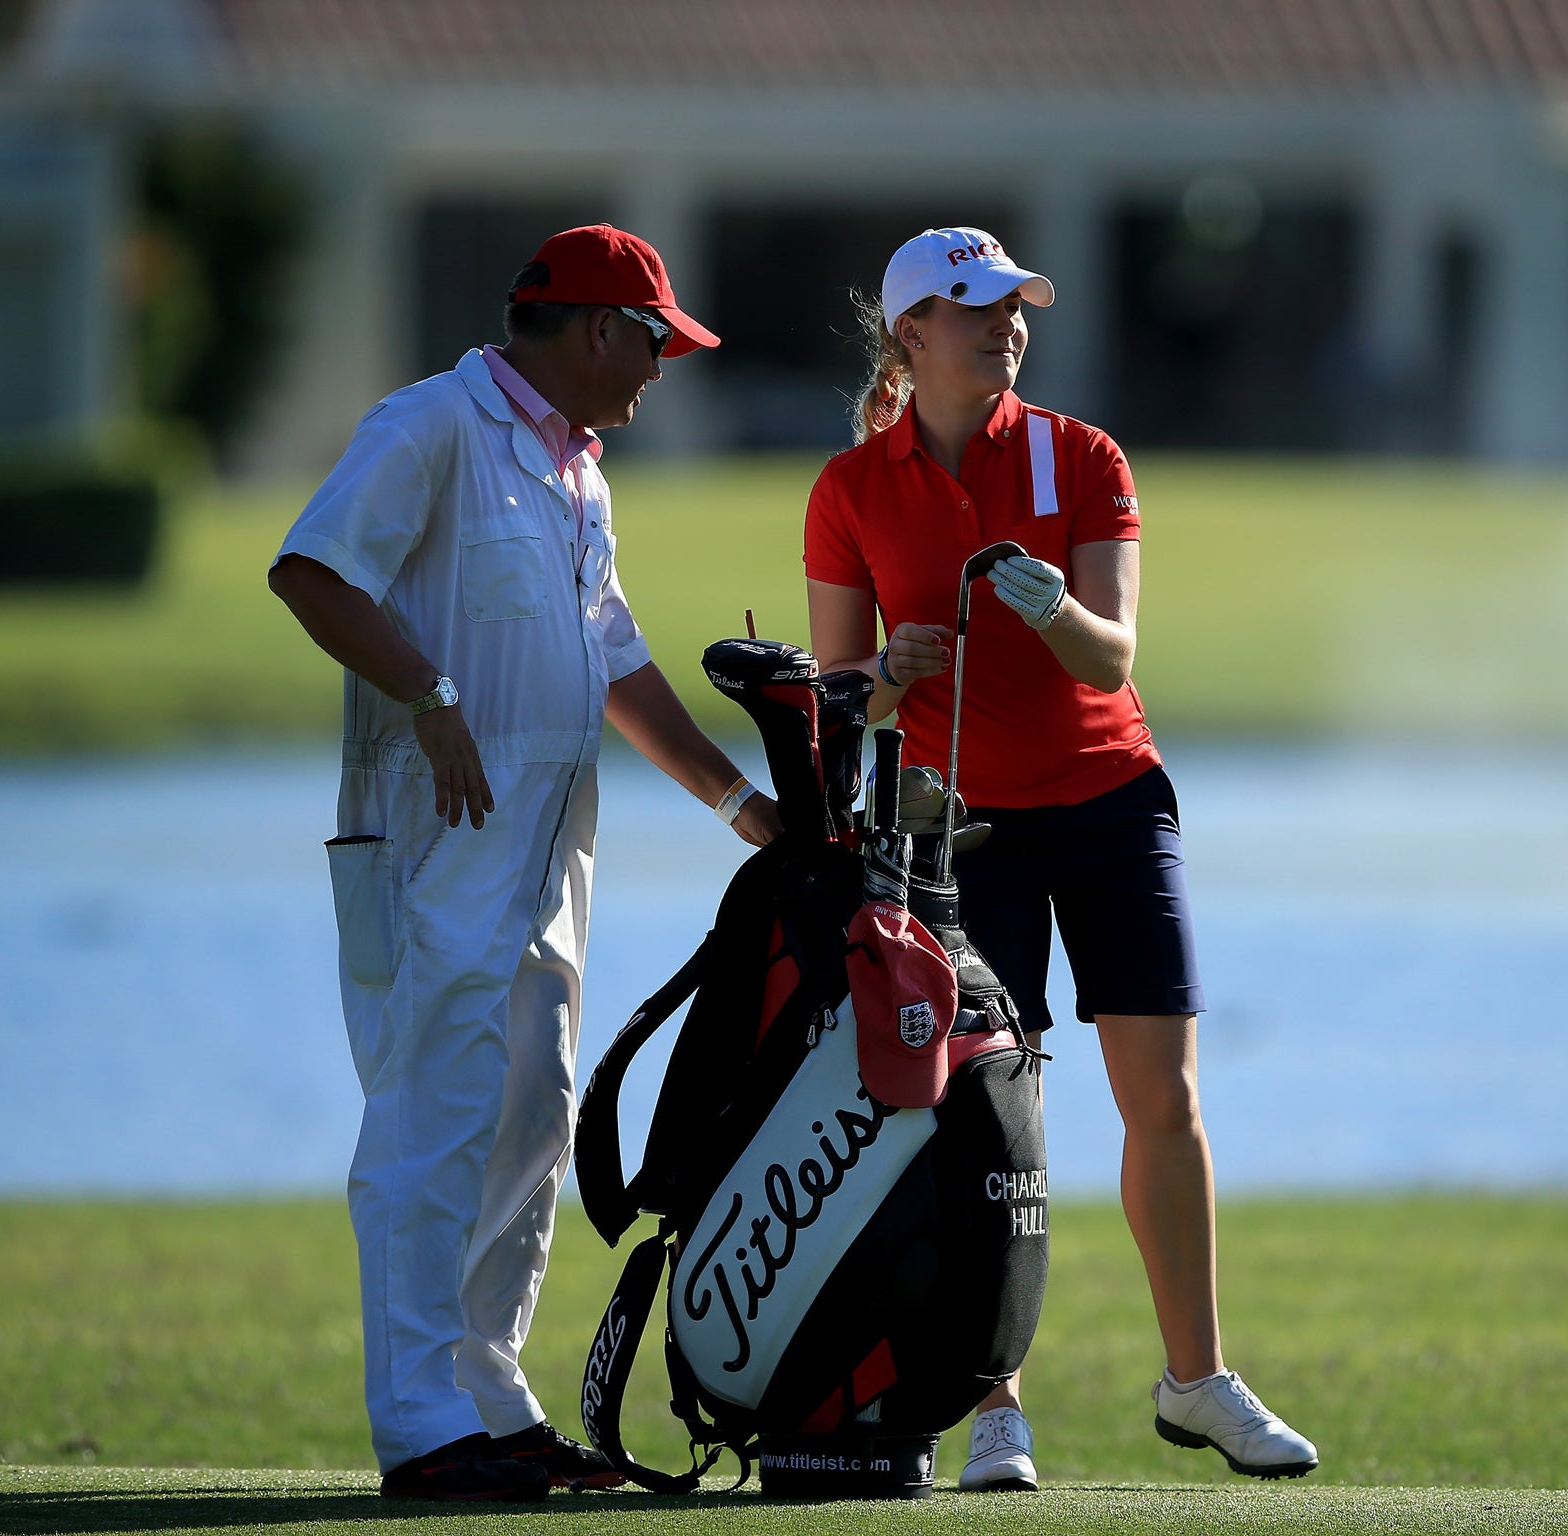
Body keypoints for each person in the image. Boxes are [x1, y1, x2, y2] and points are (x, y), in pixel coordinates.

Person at [269, 223, 781, 1502]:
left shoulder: (579, 475)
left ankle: (489, 1396)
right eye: (654, 341)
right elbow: (313, 572)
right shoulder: (430, 425)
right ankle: (420, 1425)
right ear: (598, 328)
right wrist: (429, 696)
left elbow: (611, 655)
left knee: (531, 1117)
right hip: (430, 834)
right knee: (433, 1118)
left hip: (550, 849)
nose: (661, 368)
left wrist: (735, 802)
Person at [804, 227, 1318, 1492]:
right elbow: (835, 697)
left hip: (1109, 806)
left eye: (1014, 308)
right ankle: (989, 1410)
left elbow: (1110, 656)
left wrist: (1040, 600)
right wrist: (890, 674)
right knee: (989, 1119)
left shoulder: (1082, 455)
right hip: (959, 828)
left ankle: (1195, 1382)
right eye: (974, 309)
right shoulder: (851, 488)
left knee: (1164, 1097)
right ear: (910, 333)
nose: (1004, 326)